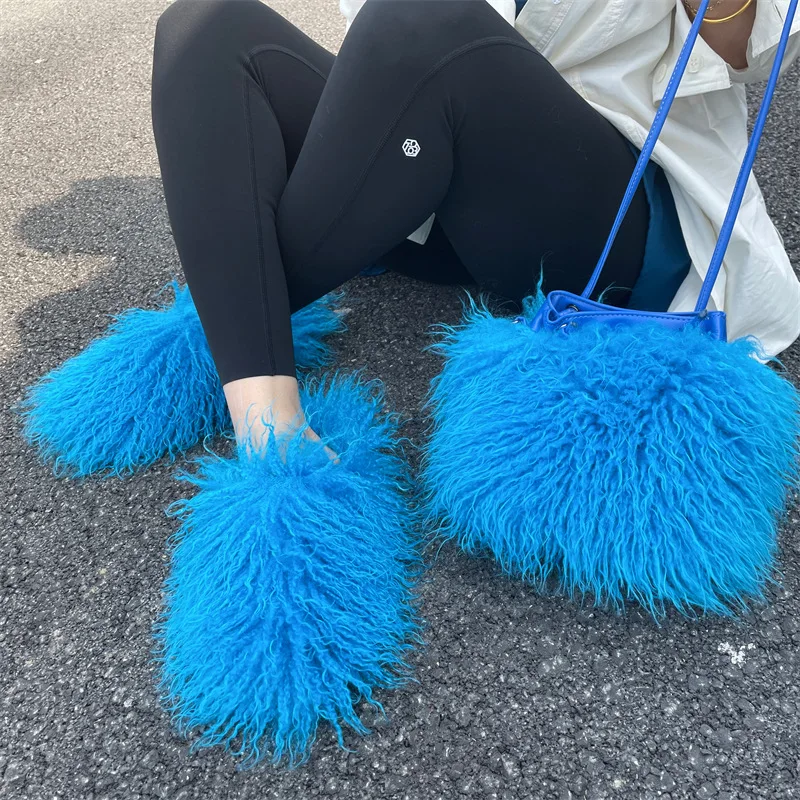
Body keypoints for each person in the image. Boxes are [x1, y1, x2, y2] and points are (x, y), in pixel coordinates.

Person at [150, 0, 800, 456]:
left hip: (614, 215)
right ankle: (268, 424)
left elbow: (754, 54)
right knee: (207, 25)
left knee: (420, 20)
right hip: (449, 192)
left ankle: (236, 302)